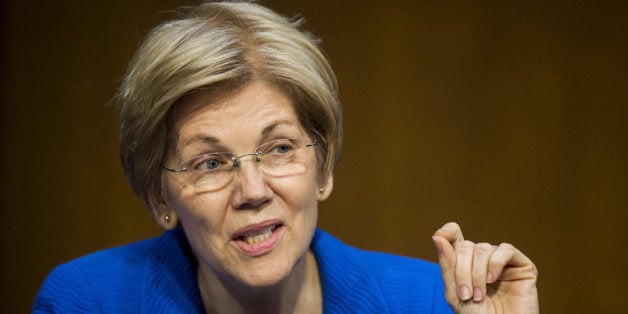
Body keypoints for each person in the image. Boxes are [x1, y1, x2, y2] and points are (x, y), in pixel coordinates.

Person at [33, 2, 538, 313]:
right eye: (210, 163)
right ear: (158, 193)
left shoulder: (431, 303)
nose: (253, 191)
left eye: (278, 149)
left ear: (324, 165)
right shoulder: (90, 301)